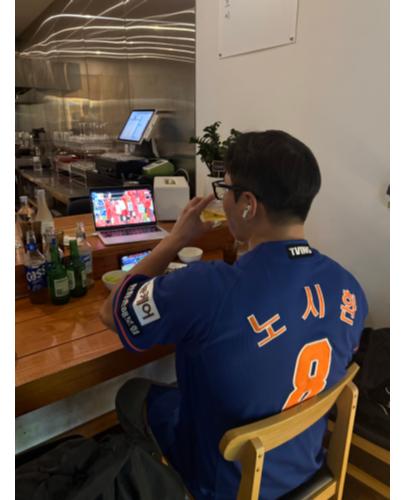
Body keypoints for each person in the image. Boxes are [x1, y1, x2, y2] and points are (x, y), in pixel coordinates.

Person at [100, 130, 368, 499]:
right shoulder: (349, 287)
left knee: (133, 394)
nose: (222, 200)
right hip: (304, 466)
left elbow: (112, 312)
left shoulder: (209, 286)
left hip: (225, 485)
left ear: (248, 204)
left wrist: (176, 239)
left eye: (225, 189)